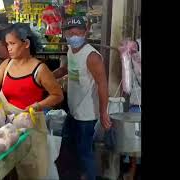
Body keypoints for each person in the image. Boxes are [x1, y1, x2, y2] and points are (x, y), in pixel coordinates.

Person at [0, 23, 63, 179]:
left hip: (31, 131)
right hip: (7, 130)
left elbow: (57, 95)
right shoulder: (6, 65)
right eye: (7, 44)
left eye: (12, 43)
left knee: (31, 173)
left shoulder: (40, 69)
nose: (9, 48)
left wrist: (39, 105)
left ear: (26, 44)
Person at [53, 16, 111, 180]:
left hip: (87, 115)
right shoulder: (71, 50)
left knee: (85, 152)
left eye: (78, 33)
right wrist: (48, 76)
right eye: (70, 33)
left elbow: (102, 85)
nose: (74, 36)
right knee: (70, 147)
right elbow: (66, 68)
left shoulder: (92, 56)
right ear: (65, 34)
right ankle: (78, 175)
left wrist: (103, 113)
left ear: (85, 33)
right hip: (73, 110)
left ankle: (89, 176)